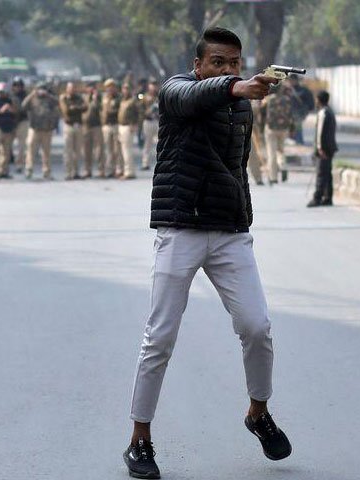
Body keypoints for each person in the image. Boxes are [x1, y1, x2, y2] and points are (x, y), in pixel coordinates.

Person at [124, 26, 292, 480]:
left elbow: (237, 166)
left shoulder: (242, 109)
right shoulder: (176, 91)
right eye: (218, 62)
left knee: (258, 328)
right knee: (159, 338)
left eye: (234, 62)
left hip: (230, 233)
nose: (227, 69)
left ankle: (258, 412)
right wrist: (235, 86)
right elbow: (195, 98)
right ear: (199, 65)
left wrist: (243, 213)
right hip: (181, 230)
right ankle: (140, 438)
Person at [22, 82, 60, 180]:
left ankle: (46, 171)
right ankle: (29, 169)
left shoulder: (49, 99)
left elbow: (58, 102)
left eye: (43, 89)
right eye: (39, 89)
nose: (41, 91)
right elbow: (23, 106)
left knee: (46, 152)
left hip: (47, 129)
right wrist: (31, 95)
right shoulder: (32, 99)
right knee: (31, 149)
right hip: (34, 128)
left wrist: (48, 95)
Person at [308, 90, 338, 207]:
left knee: (321, 174)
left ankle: (317, 198)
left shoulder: (323, 113)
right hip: (330, 147)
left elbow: (320, 132)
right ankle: (328, 197)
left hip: (324, 149)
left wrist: (320, 148)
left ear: (319, 100)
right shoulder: (330, 112)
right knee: (327, 174)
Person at [262, 82, 293, 184]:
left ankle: (273, 177)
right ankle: (283, 166)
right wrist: (291, 128)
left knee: (271, 153)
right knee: (281, 150)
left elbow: (261, 112)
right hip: (283, 128)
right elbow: (290, 115)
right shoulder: (287, 99)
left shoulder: (268, 99)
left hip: (271, 129)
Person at [0, 82, 18, 179]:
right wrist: (0, 111)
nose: (3, 94)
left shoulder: (10, 100)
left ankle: (3, 171)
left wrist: (11, 109)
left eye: (4, 92)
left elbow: (18, 112)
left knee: (6, 151)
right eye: (1, 92)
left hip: (8, 127)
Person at [59, 82, 87, 180]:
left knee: (77, 151)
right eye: (70, 88)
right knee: (68, 151)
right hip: (68, 126)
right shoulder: (63, 98)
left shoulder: (79, 98)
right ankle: (68, 172)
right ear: (67, 89)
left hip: (78, 125)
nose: (72, 90)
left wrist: (75, 108)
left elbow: (85, 107)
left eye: (74, 88)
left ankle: (76, 172)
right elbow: (66, 110)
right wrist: (76, 108)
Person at [117, 82, 140, 179]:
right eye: (124, 88)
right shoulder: (122, 100)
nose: (125, 90)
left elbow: (138, 113)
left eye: (127, 88)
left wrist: (134, 124)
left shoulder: (133, 101)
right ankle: (124, 170)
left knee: (127, 150)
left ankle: (129, 172)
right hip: (121, 126)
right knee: (122, 150)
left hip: (128, 127)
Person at [101, 78, 123, 178]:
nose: (110, 89)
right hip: (106, 125)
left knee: (117, 149)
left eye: (112, 87)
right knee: (108, 149)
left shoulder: (119, 98)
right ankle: (110, 169)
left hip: (115, 125)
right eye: (108, 87)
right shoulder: (104, 98)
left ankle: (118, 169)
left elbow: (119, 110)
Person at [82, 82, 104, 178]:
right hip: (86, 126)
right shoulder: (83, 98)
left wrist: (95, 99)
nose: (91, 90)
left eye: (93, 88)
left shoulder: (100, 98)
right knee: (87, 150)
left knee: (99, 150)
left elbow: (101, 109)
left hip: (97, 126)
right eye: (89, 88)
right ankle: (88, 170)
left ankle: (101, 170)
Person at [288, 74, 314, 144]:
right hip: (289, 113)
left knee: (298, 126)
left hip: (300, 112)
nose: (291, 82)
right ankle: (295, 141)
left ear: (296, 80)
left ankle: (299, 141)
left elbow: (310, 100)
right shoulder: (287, 90)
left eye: (292, 80)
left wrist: (309, 109)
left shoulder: (303, 90)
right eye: (290, 80)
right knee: (291, 128)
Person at [140, 79, 159, 171]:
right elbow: (141, 110)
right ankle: (145, 163)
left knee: (160, 142)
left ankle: (160, 161)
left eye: (155, 85)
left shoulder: (160, 96)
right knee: (147, 143)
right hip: (148, 121)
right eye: (152, 85)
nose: (153, 87)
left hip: (158, 121)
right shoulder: (144, 97)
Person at [11, 77, 29, 173]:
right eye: (15, 85)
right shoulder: (10, 96)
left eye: (19, 86)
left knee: (22, 145)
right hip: (11, 121)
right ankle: (6, 163)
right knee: (6, 144)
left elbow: (24, 108)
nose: (17, 88)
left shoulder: (25, 96)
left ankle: (20, 164)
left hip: (22, 121)